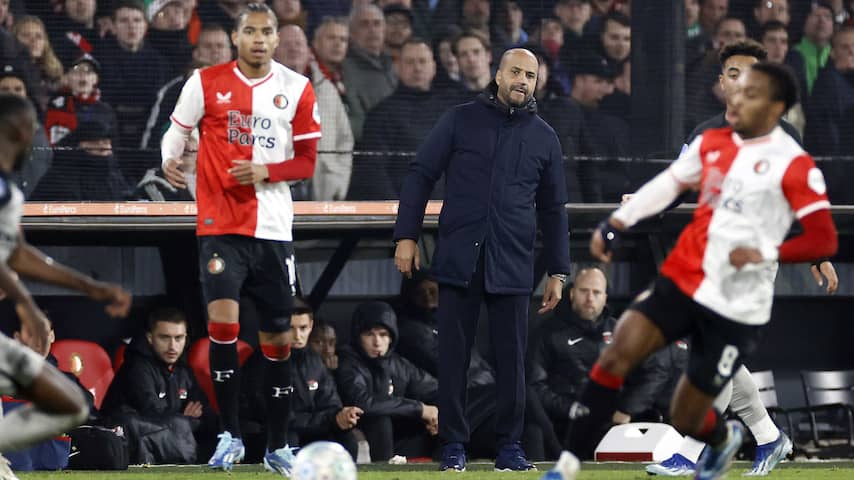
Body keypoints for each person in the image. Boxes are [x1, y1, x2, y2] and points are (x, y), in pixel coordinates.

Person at [570, 62, 837, 480]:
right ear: (721, 83)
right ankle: (769, 438)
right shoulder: (706, 134)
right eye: (732, 74)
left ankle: (690, 451)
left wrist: (817, 255)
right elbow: (679, 184)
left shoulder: (784, 137)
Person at [159, 3, 321, 476]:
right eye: (248, 31)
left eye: (266, 32)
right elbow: (177, 131)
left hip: (273, 230)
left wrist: (266, 170)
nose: (257, 39)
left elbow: (307, 162)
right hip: (219, 227)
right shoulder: (203, 82)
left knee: (278, 342)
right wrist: (169, 159)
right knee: (223, 327)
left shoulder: (297, 88)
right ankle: (228, 435)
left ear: (276, 38)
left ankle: (276, 446)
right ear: (236, 37)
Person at [393, 48, 570, 472]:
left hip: (513, 264)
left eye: (531, 74)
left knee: (513, 362)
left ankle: (510, 447)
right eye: (516, 71)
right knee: (453, 358)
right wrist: (405, 237)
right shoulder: (459, 119)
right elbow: (420, 175)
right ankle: (454, 444)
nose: (523, 80)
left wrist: (559, 270)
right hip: (459, 259)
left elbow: (554, 208)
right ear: (498, 74)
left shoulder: (545, 137)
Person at [0, 93, 131, 480]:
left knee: (70, 404)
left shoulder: (9, 192)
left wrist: (89, 287)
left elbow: (18, 256)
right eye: (31, 130)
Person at [528, 266, 684, 455]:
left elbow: (654, 370)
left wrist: (627, 409)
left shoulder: (620, 331)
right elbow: (534, 385)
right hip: (563, 425)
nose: (590, 298)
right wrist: (570, 409)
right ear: (571, 293)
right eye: (584, 291)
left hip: (616, 426)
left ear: (605, 297)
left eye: (596, 292)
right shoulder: (548, 333)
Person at [101, 307, 214, 464]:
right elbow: (151, 414)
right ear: (150, 337)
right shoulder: (137, 367)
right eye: (164, 338)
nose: (172, 346)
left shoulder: (182, 369)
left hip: (168, 444)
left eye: (178, 338)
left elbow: (205, 412)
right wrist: (185, 420)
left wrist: (184, 422)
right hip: (127, 449)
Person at [336, 301, 439, 462]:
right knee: (380, 419)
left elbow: (433, 388)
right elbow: (362, 402)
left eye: (383, 335)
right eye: (370, 334)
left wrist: (436, 413)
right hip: (358, 433)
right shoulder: (348, 360)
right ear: (358, 336)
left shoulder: (397, 363)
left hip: (399, 438)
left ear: (391, 338)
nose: (377, 342)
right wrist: (418, 408)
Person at [286, 298, 361, 460]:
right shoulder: (267, 362)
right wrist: (330, 419)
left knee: (347, 439)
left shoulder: (314, 361)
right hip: (279, 433)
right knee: (288, 438)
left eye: (303, 328)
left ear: (311, 326)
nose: (297, 336)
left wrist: (340, 416)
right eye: (290, 328)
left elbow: (331, 403)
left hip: (313, 429)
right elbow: (278, 418)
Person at [342, 4, 396, 141]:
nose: (372, 30)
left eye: (377, 24)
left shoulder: (393, 65)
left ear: (384, 30)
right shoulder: (344, 69)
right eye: (364, 24)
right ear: (352, 33)